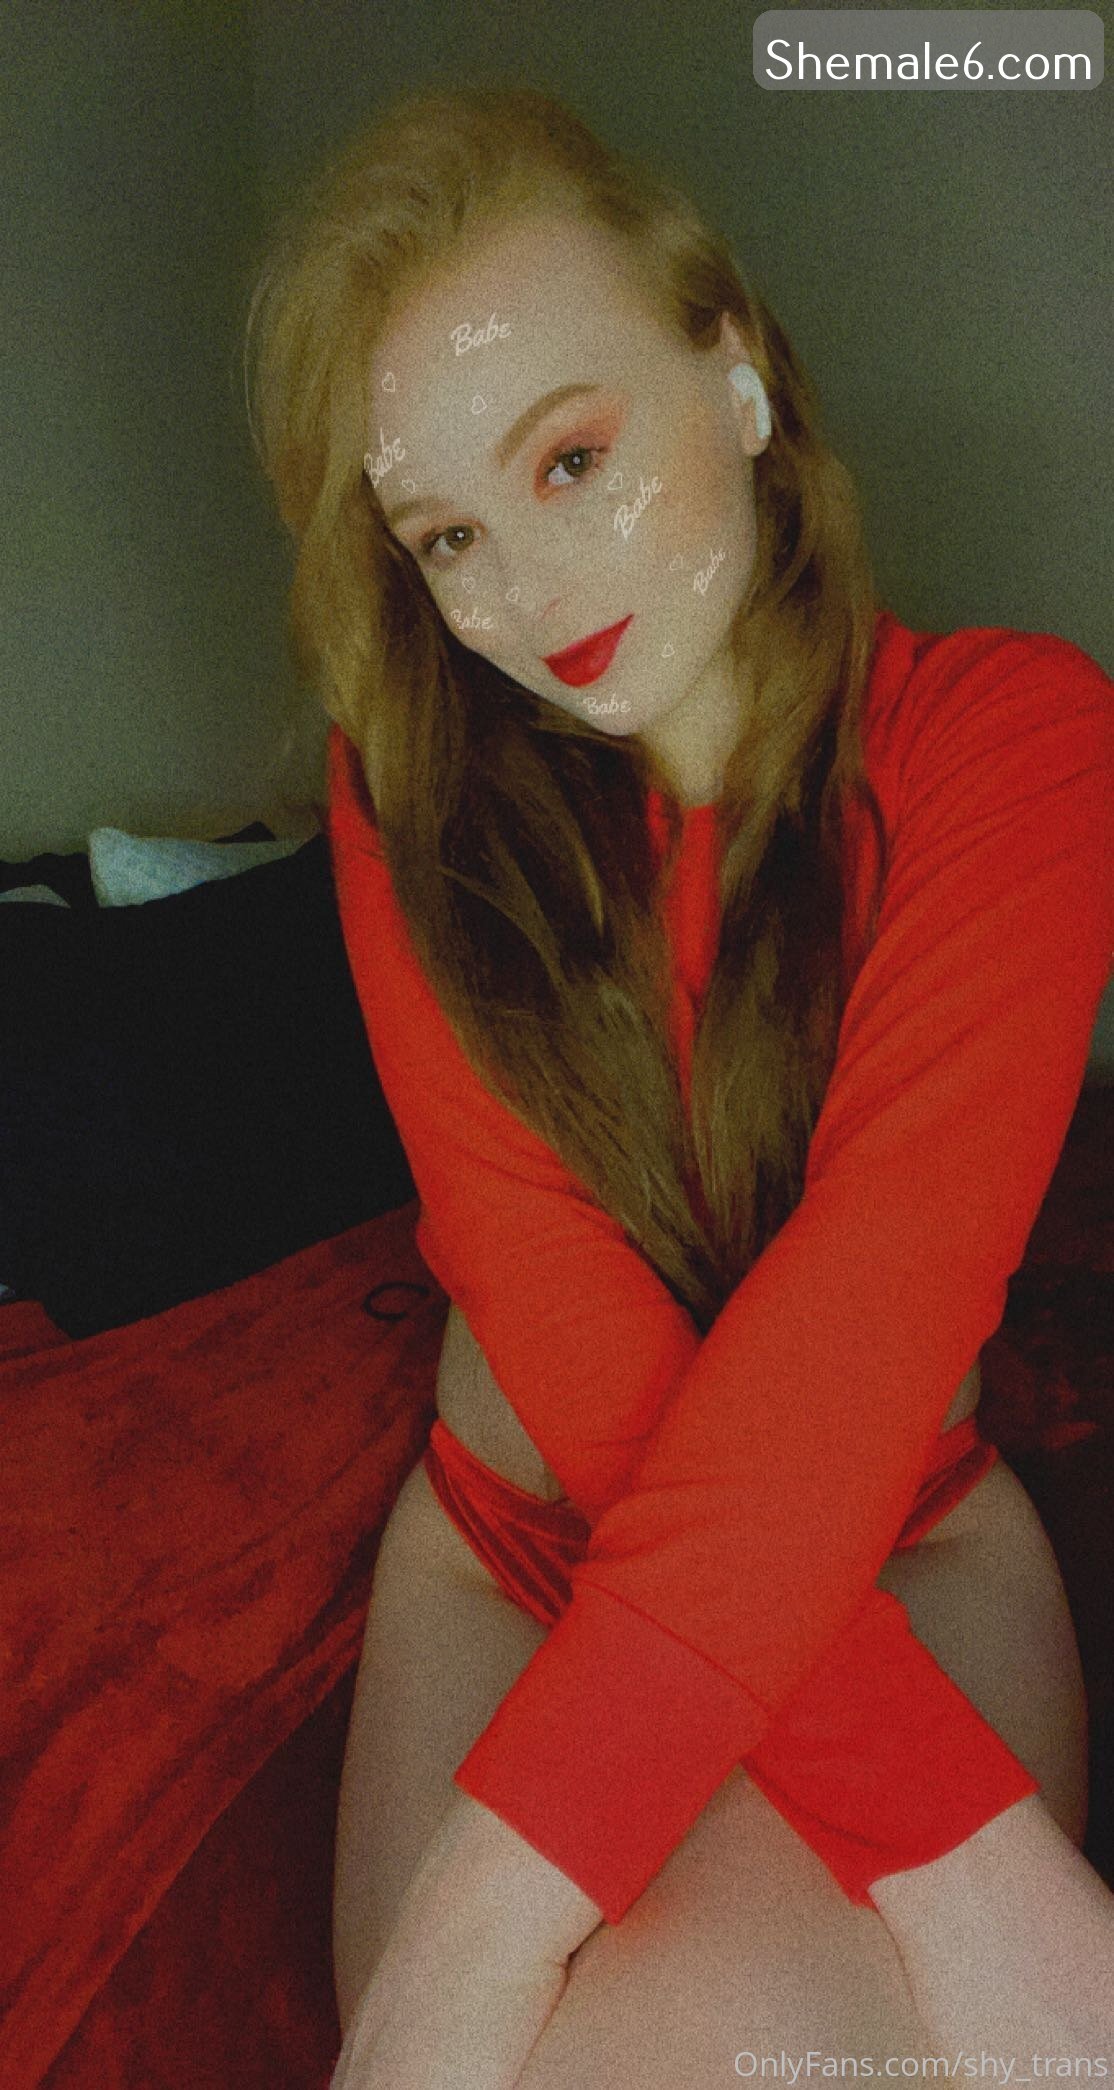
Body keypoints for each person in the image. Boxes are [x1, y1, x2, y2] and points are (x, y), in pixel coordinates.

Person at [243, 81, 1114, 2088]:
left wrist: (949, 1867)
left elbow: (870, 1311)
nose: (526, 593)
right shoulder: (407, 783)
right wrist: (972, 1874)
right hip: (512, 1543)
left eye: (569, 457)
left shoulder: (1012, 741)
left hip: (895, 1543)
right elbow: (545, 1295)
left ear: (732, 373)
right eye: (447, 535)